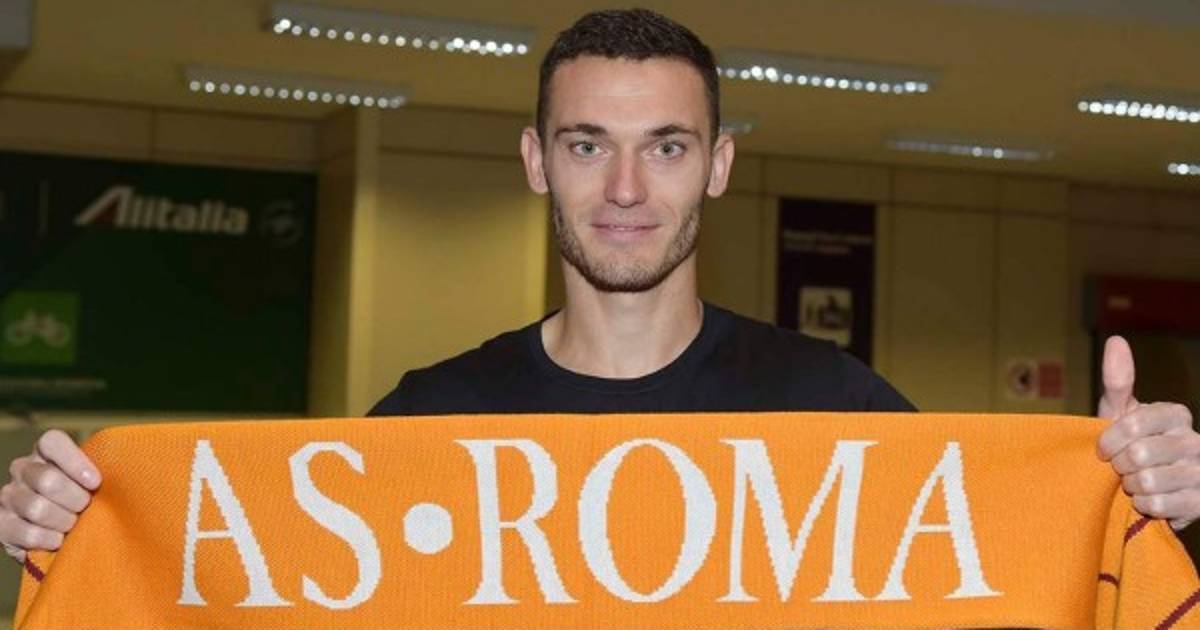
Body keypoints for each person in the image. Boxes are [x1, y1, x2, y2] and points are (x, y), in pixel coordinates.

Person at [2, 8, 1197, 566]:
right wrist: (93, 537)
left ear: (718, 165)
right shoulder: (426, 426)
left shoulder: (839, 411)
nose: (626, 188)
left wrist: (1130, 501)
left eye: (667, 146)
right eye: (587, 144)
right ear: (537, 161)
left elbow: (998, 581)